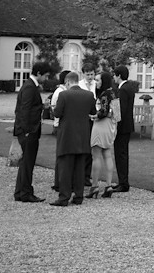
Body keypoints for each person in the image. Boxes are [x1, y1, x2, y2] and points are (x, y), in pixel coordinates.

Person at [50, 71, 95, 207]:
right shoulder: (89, 95)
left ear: (68, 82)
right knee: (80, 169)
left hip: (67, 136)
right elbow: (93, 112)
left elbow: (57, 113)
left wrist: (51, 108)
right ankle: (78, 196)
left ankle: (64, 197)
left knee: (65, 168)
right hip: (82, 136)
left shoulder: (64, 95)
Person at [13, 61, 52, 203]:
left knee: (25, 162)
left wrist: (42, 106)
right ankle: (25, 193)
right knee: (28, 162)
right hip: (28, 131)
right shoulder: (30, 87)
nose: (46, 79)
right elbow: (24, 110)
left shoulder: (30, 86)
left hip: (26, 130)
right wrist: (27, 130)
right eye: (46, 76)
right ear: (39, 73)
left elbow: (29, 108)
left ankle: (20, 192)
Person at [88, 72, 120, 198]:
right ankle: (108, 185)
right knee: (107, 154)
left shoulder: (104, 94)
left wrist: (93, 116)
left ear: (104, 81)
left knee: (96, 155)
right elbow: (117, 114)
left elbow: (103, 112)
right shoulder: (115, 93)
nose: (96, 82)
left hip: (100, 126)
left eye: (98, 80)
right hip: (111, 126)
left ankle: (94, 186)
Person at [112, 65, 138, 193]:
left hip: (122, 127)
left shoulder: (122, 90)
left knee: (120, 154)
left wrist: (114, 123)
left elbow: (120, 110)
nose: (114, 78)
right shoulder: (130, 88)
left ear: (119, 76)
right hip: (128, 125)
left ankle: (123, 182)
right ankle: (123, 181)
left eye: (115, 75)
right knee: (123, 153)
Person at [50, 69, 70, 192]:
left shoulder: (62, 91)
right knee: (61, 154)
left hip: (61, 125)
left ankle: (60, 181)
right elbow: (56, 111)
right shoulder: (60, 92)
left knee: (62, 154)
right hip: (59, 125)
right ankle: (59, 182)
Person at [79, 63, 98, 186]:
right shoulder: (80, 85)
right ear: (83, 74)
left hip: (93, 118)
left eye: (92, 74)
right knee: (82, 146)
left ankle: (87, 175)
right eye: (88, 74)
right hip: (82, 118)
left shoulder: (97, 84)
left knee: (91, 147)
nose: (90, 77)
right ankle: (80, 174)